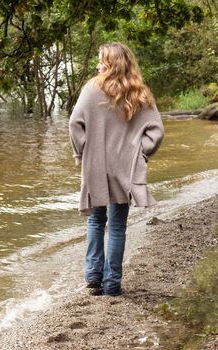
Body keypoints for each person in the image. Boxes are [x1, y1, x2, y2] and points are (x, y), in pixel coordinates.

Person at [68, 42, 164, 296]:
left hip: (96, 165)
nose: (98, 65)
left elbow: (74, 124)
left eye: (101, 60)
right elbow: (157, 132)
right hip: (125, 168)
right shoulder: (139, 93)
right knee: (118, 226)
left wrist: (81, 153)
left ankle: (93, 278)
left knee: (96, 221)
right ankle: (112, 285)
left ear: (110, 63)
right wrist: (140, 152)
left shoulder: (91, 88)